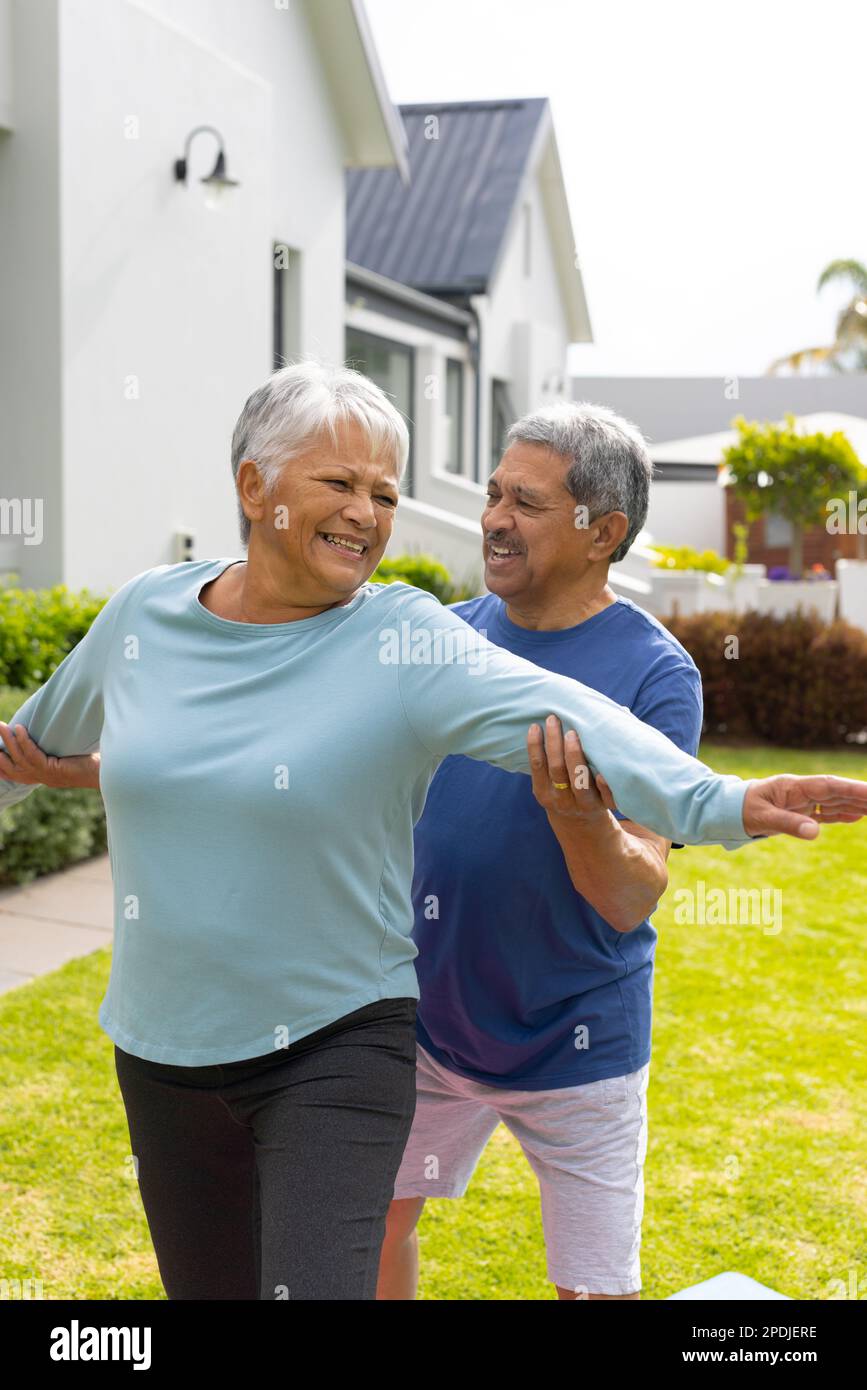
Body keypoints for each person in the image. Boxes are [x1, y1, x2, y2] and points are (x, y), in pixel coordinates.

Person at [2, 362, 865, 1303]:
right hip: (164, 1052)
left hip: (344, 1043)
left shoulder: (407, 641)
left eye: (383, 493)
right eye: (338, 484)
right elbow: (41, 750)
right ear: (253, 485)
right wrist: (71, 771)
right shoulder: (145, 615)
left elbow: (570, 712)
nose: (366, 514)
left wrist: (719, 803)